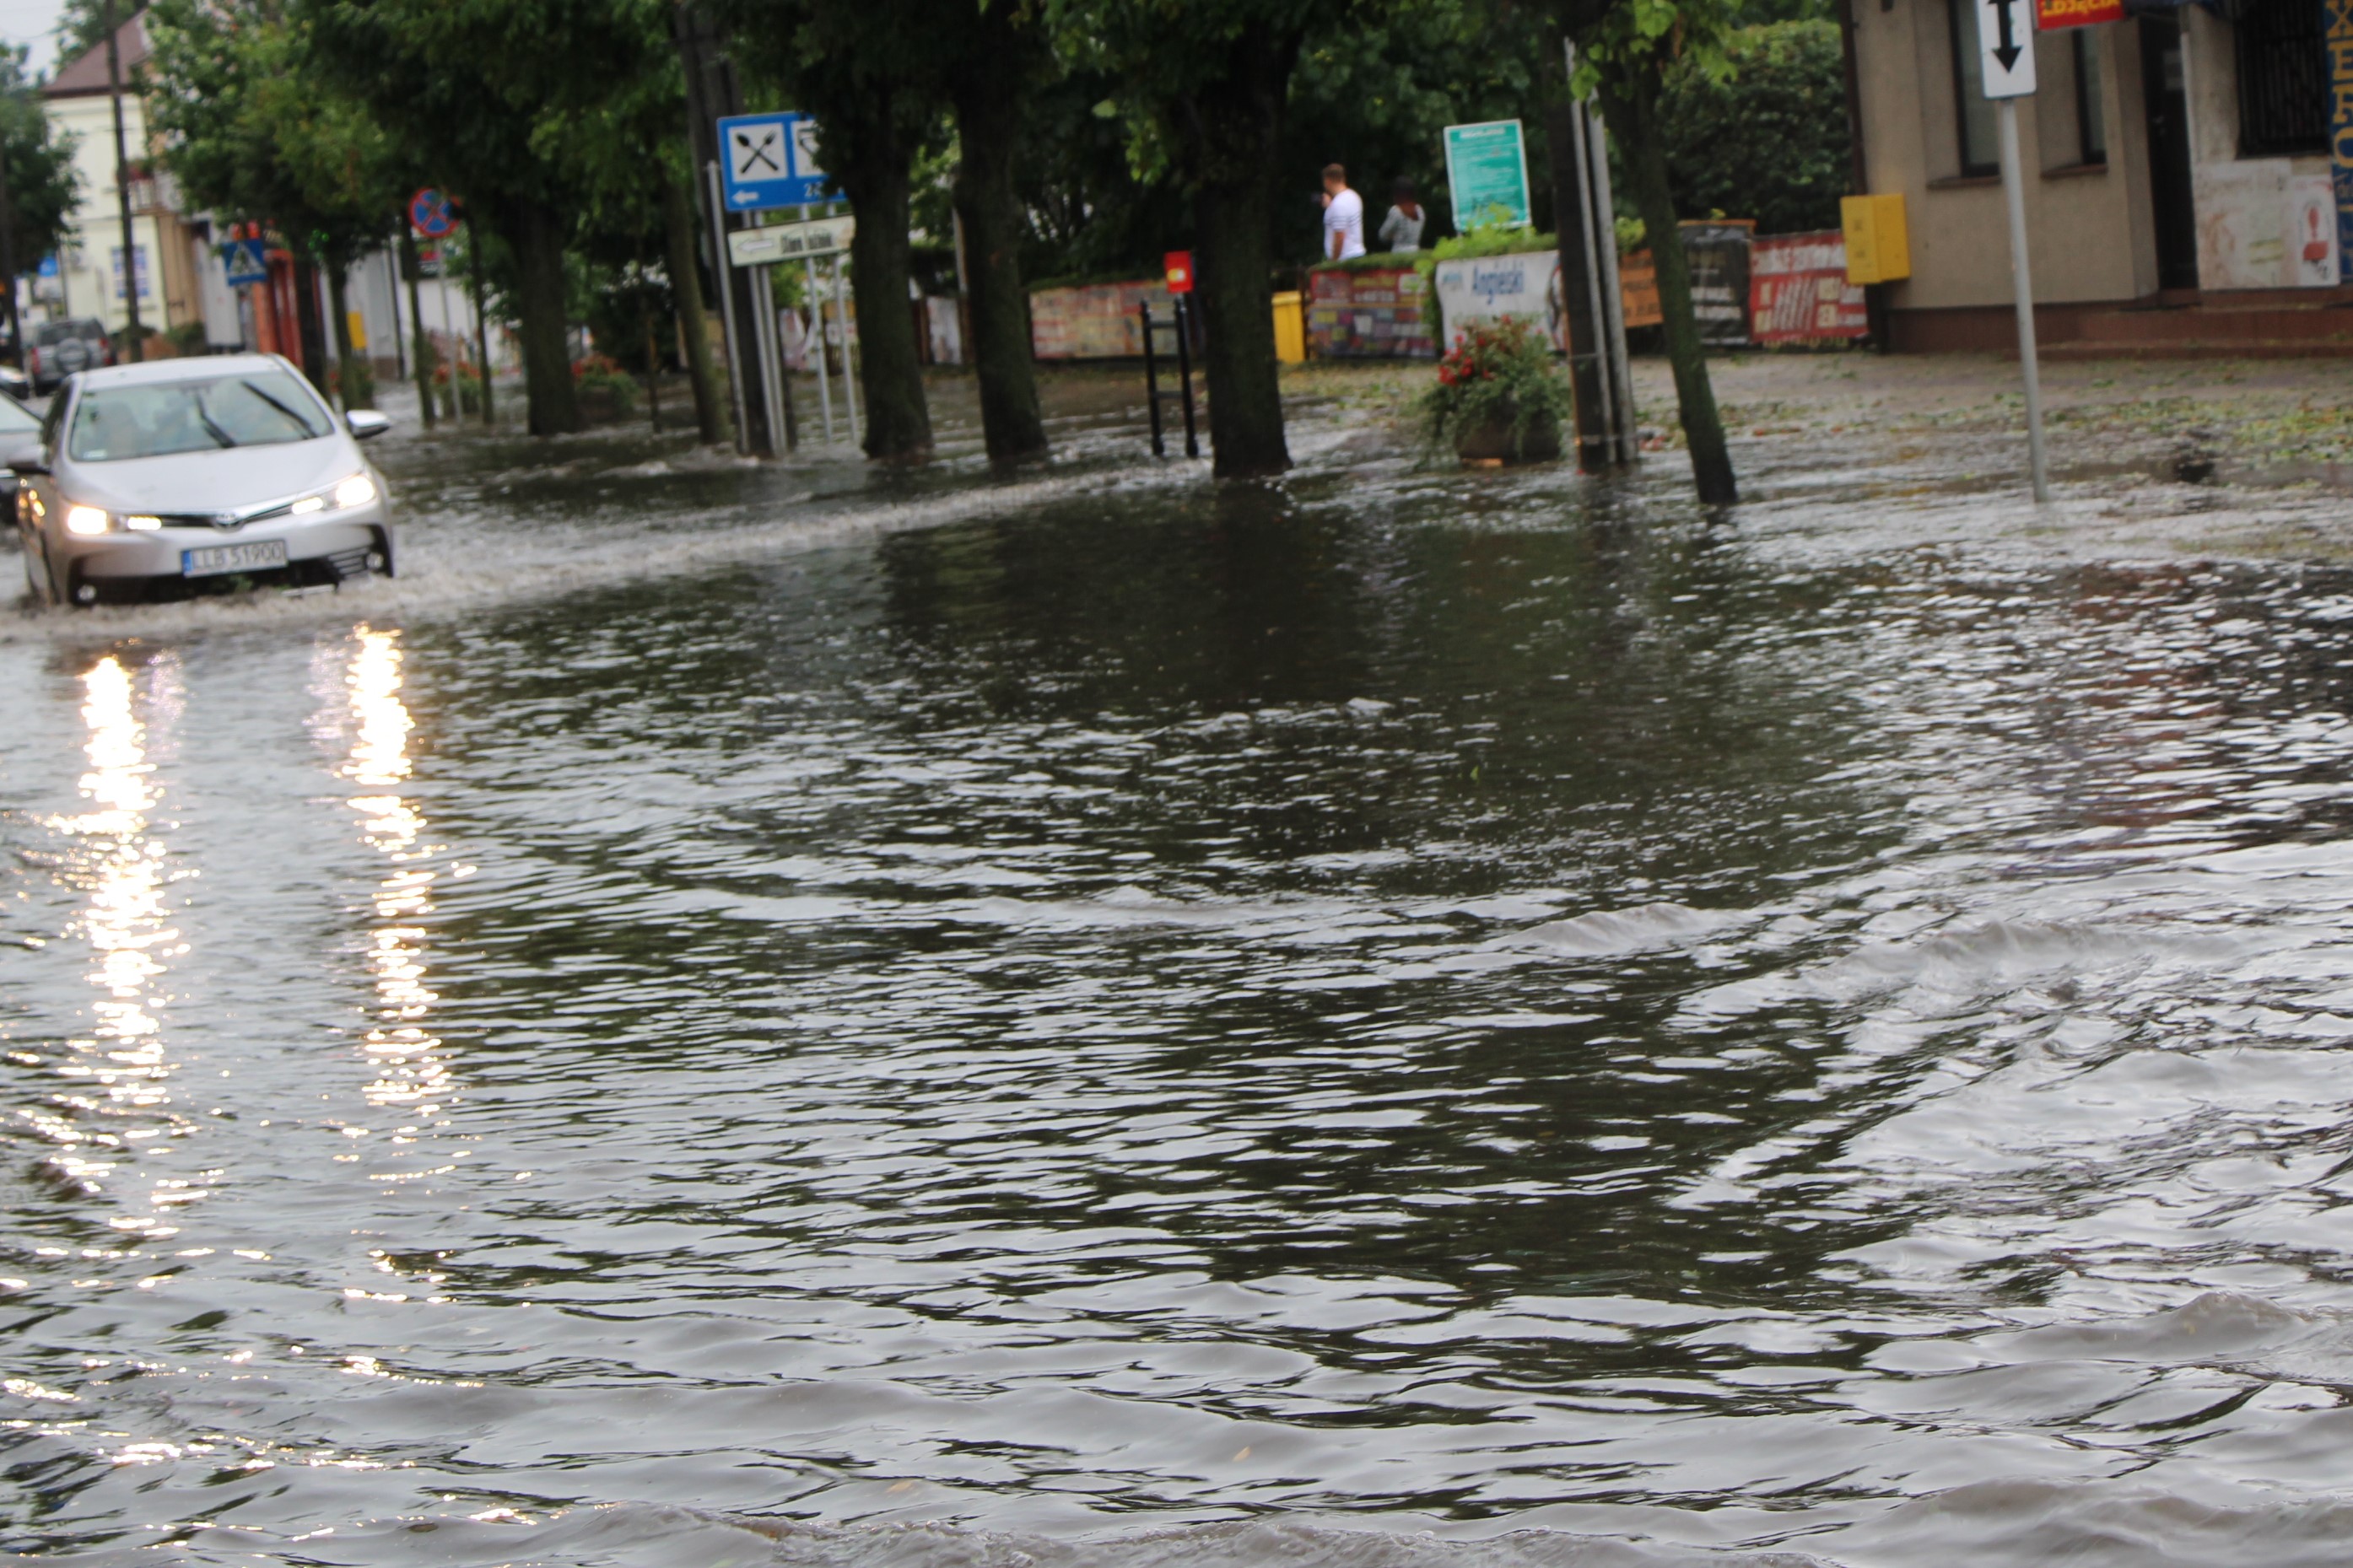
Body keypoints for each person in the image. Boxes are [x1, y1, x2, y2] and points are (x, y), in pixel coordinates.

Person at [1321, 164, 1366, 262]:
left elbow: (1339, 237)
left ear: (1327, 181)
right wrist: (1330, 206)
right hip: (1357, 253)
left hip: (1344, 260)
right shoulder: (1354, 196)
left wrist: (1333, 262)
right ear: (1343, 178)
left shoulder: (1338, 204)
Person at [1379, 177, 1426, 254]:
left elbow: (1382, 235)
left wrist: (1393, 236)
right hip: (1416, 251)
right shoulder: (1419, 210)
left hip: (1399, 254)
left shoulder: (1396, 211)